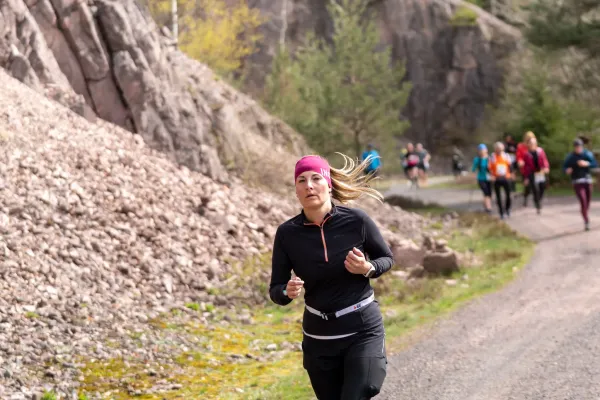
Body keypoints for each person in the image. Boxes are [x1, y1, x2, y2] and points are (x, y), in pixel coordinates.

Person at [269, 154, 393, 400]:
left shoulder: (357, 221)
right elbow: (276, 289)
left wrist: (367, 268)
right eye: (301, 181)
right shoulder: (286, 234)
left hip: (362, 329)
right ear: (296, 190)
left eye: (316, 178)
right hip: (319, 338)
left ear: (329, 184)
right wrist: (287, 291)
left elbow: (386, 259)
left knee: (361, 389)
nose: (309, 186)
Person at [563, 138, 598, 231]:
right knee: (583, 200)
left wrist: (587, 163)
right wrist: (567, 170)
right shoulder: (571, 157)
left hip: (587, 180)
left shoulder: (587, 154)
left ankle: (584, 212)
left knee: (588, 201)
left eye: (580, 147)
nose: (578, 148)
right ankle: (586, 221)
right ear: (574, 148)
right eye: (576, 147)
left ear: (582, 147)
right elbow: (565, 166)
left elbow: (595, 164)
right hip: (577, 181)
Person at [522, 137, 550, 214]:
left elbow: (544, 160)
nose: (532, 145)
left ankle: (538, 200)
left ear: (536, 144)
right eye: (530, 143)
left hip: (540, 172)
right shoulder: (526, 154)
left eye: (533, 143)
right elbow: (526, 167)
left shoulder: (540, 151)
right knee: (535, 189)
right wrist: (526, 177)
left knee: (542, 187)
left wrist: (546, 167)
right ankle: (537, 205)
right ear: (528, 145)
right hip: (532, 173)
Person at [489, 142, 513, 219]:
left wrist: (512, 174)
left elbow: (510, 166)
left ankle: (507, 209)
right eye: (497, 149)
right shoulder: (492, 157)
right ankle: (501, 212)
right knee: (498, 196)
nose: (499, 150)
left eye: (500, 149)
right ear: (495, 149)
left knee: (508, 195)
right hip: (497, 178)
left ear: (502, 149)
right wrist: (492, 175)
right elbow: (489, 168)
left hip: (506, 177)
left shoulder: (506, 156)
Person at [516, 131, 536, 206]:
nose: (530, 141)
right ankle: (526, 197)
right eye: (528, 139)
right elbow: (519, 157)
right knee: (527, 186)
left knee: (534, 184)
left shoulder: (535, 146)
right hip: (525, 170)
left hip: (534, 169)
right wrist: (520, 161)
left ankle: (536, 199)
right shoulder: (521, 146)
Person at [472, 144, 492, 214]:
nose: (482, 151)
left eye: (483, 150)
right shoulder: (477, 159)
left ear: (486, 150)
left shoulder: (490, 158)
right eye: (480, 150)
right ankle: (488, 207)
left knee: (489, 193)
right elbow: (473, 169)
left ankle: (486, 205)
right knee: (486, 192)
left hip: (489, 178)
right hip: (481, 178)